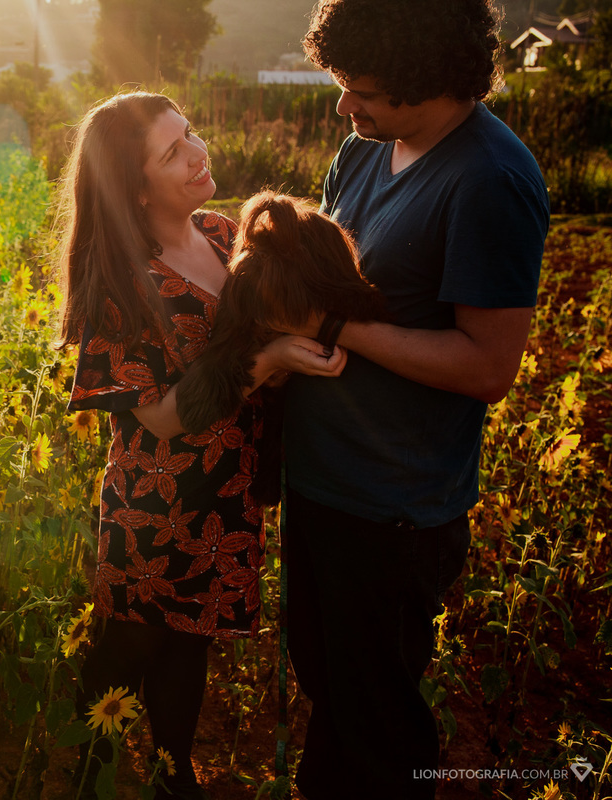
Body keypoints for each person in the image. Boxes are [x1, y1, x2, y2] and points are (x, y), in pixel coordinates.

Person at [281, 1, 551, 798]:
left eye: (360, 89)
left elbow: (486, 366)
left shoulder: (490, 180)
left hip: (394, 504)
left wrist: (335, 325)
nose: (343, 107)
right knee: (332, 697)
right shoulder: (366, 151)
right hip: (322, 479)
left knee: (378, 733)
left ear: (430, 79)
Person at [56, 92, 346, 798]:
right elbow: (158, 417)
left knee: (191, 638)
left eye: (191, 133)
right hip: (155, 504)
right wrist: (272, 359)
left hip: (226, 492)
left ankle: (172, 772)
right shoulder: (125, 283)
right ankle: (85, 768)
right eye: (173, 152)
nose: (198, 153)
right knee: (132, 643)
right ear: (136, 186)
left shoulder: (222, 233)